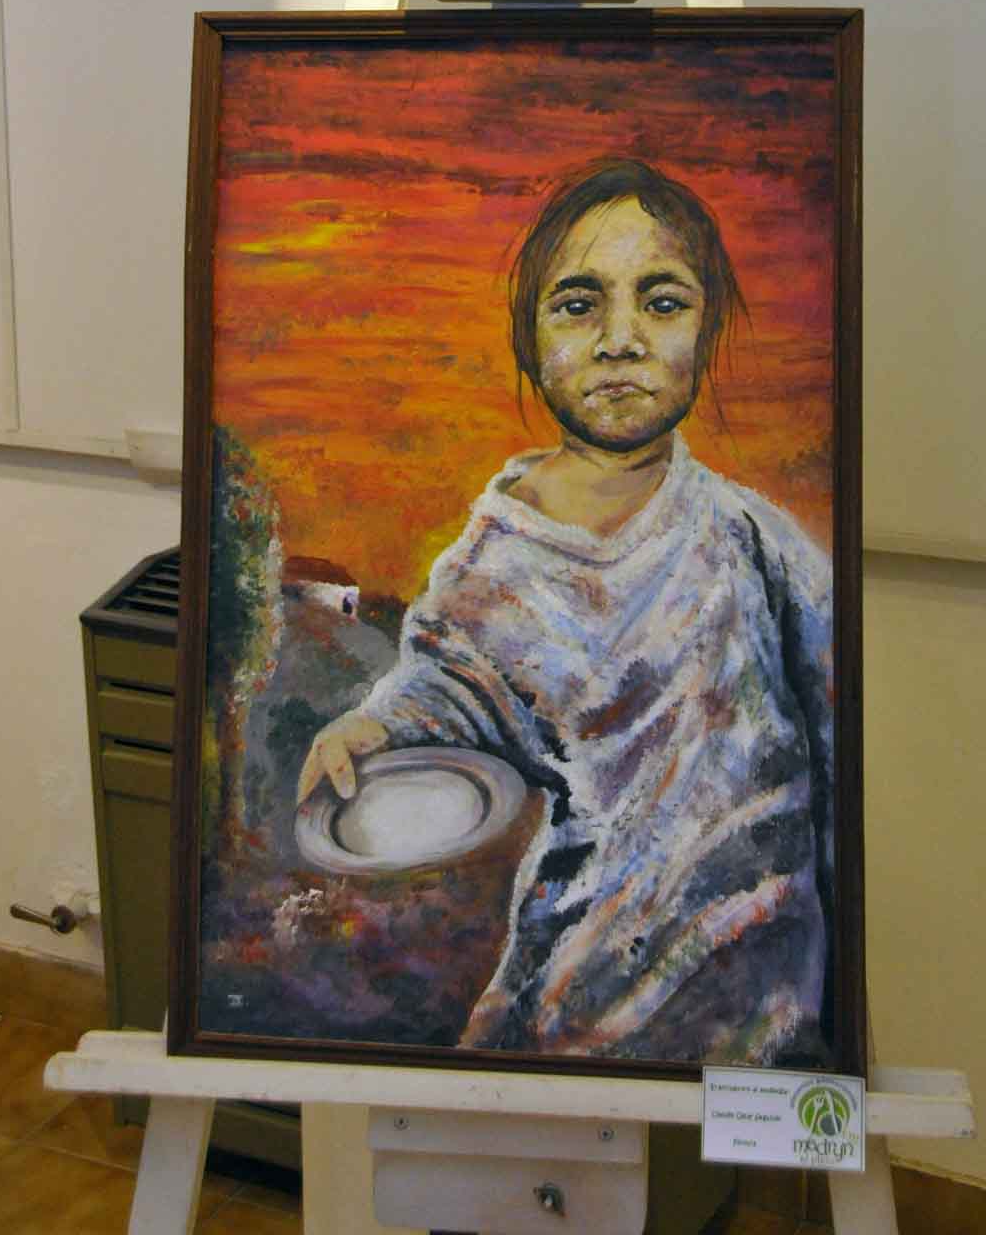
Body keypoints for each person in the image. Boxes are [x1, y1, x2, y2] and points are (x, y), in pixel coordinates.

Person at [296, 157, 834, 1066]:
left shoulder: (756, 543)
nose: (620, 339)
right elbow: (447, 691)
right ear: (527, 337)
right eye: (579, 305)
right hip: (582, 996)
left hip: (765, 1006)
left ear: (708, 329)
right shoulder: (490, 564)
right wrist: (372, 725)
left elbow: (839, 737)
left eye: (662, 302)